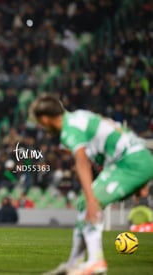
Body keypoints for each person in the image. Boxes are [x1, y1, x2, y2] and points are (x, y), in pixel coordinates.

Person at [29, 93, 153, 275]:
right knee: (83, 203)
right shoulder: (79, 117)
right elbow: (115, 131)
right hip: (133, 159)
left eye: (40, 123)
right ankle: (73, 264)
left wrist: (92, 199)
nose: (41, 127)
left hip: (130, 163)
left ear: (45, 119)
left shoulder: (69, 129)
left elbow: (82, 162)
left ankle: (96, 261)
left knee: (88, 202)